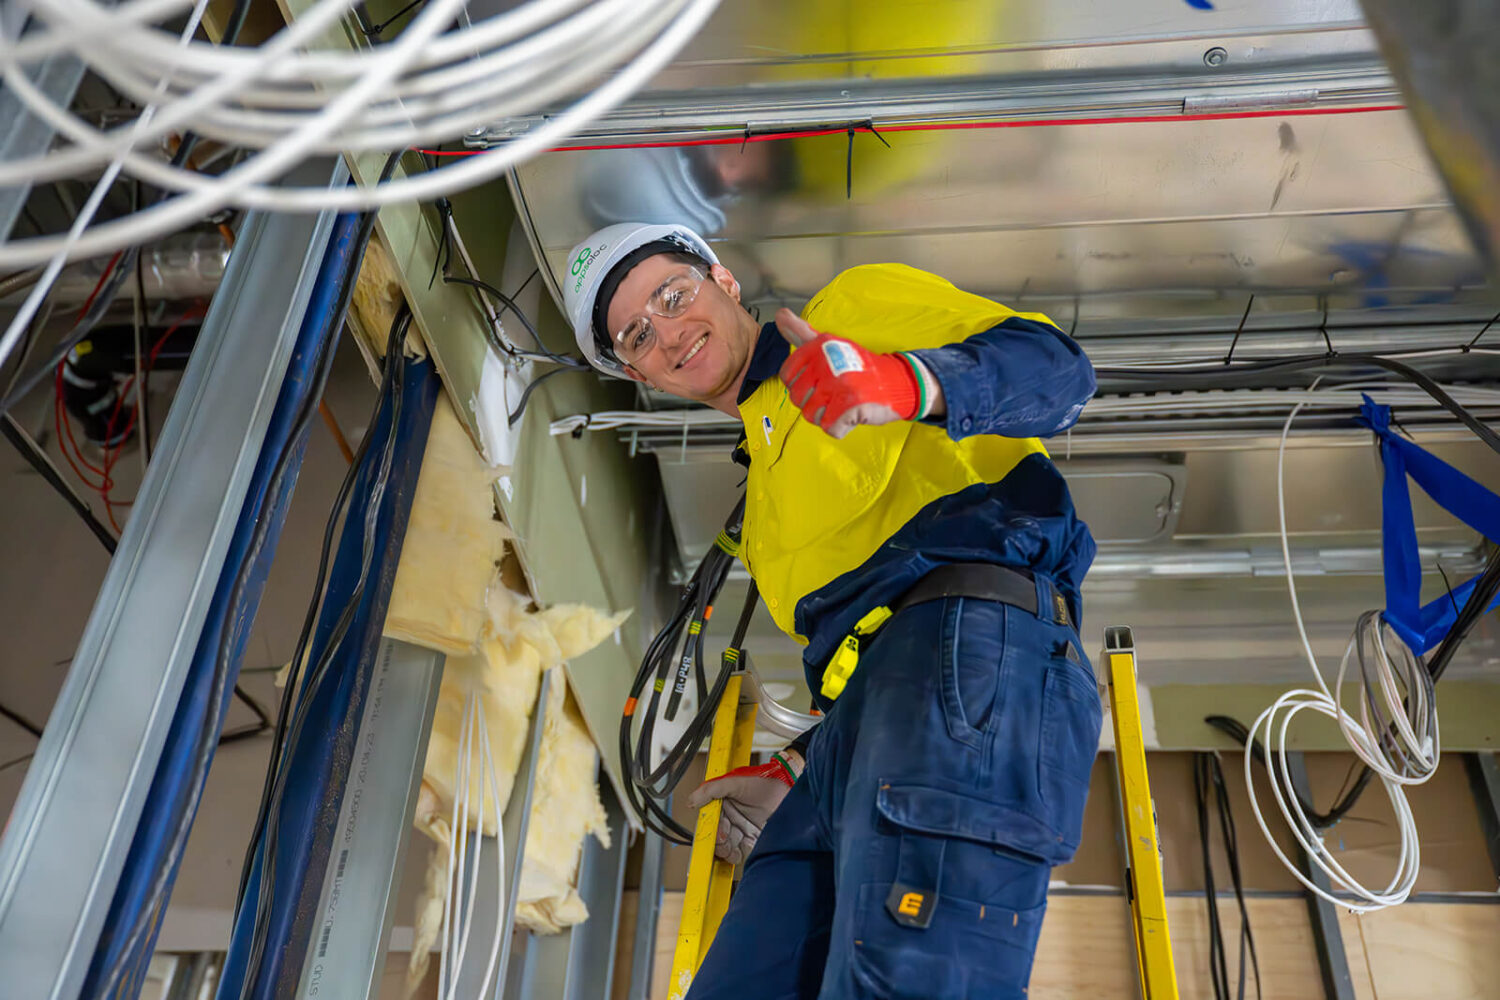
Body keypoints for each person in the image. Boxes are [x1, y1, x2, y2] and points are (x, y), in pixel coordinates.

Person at [564, 222, 1101, 1000]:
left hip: (963, 654)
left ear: (724, 278)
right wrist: (802, 766)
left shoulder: (850, 309)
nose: (669, 333)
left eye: (673, 296)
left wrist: (907, 383)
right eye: (637, 336)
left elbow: (1062, 373)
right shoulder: (764, 502)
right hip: (858, 736)